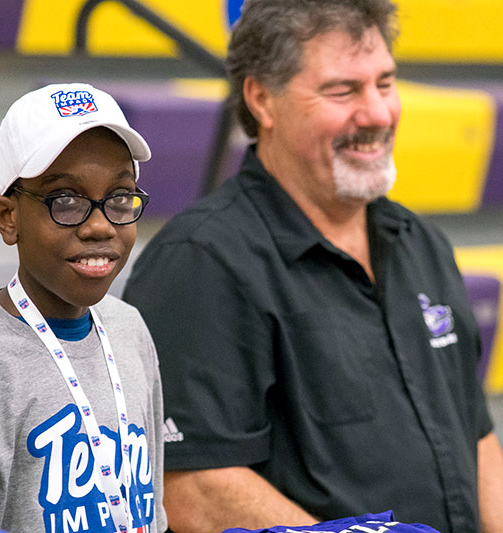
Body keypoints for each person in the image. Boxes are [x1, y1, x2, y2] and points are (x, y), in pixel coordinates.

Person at [122, 1, 503, 532]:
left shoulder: (423, 244)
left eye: (385, 84)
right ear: (261, 99)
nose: (376, 114)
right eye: (343, 90)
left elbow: (475, 435)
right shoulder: (200, 263)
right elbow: (192, 489)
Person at [0, 83, 167, 533]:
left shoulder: (129, 329)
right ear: (8, 216)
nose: (99, 225)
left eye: (119, 198)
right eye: (66, 201)